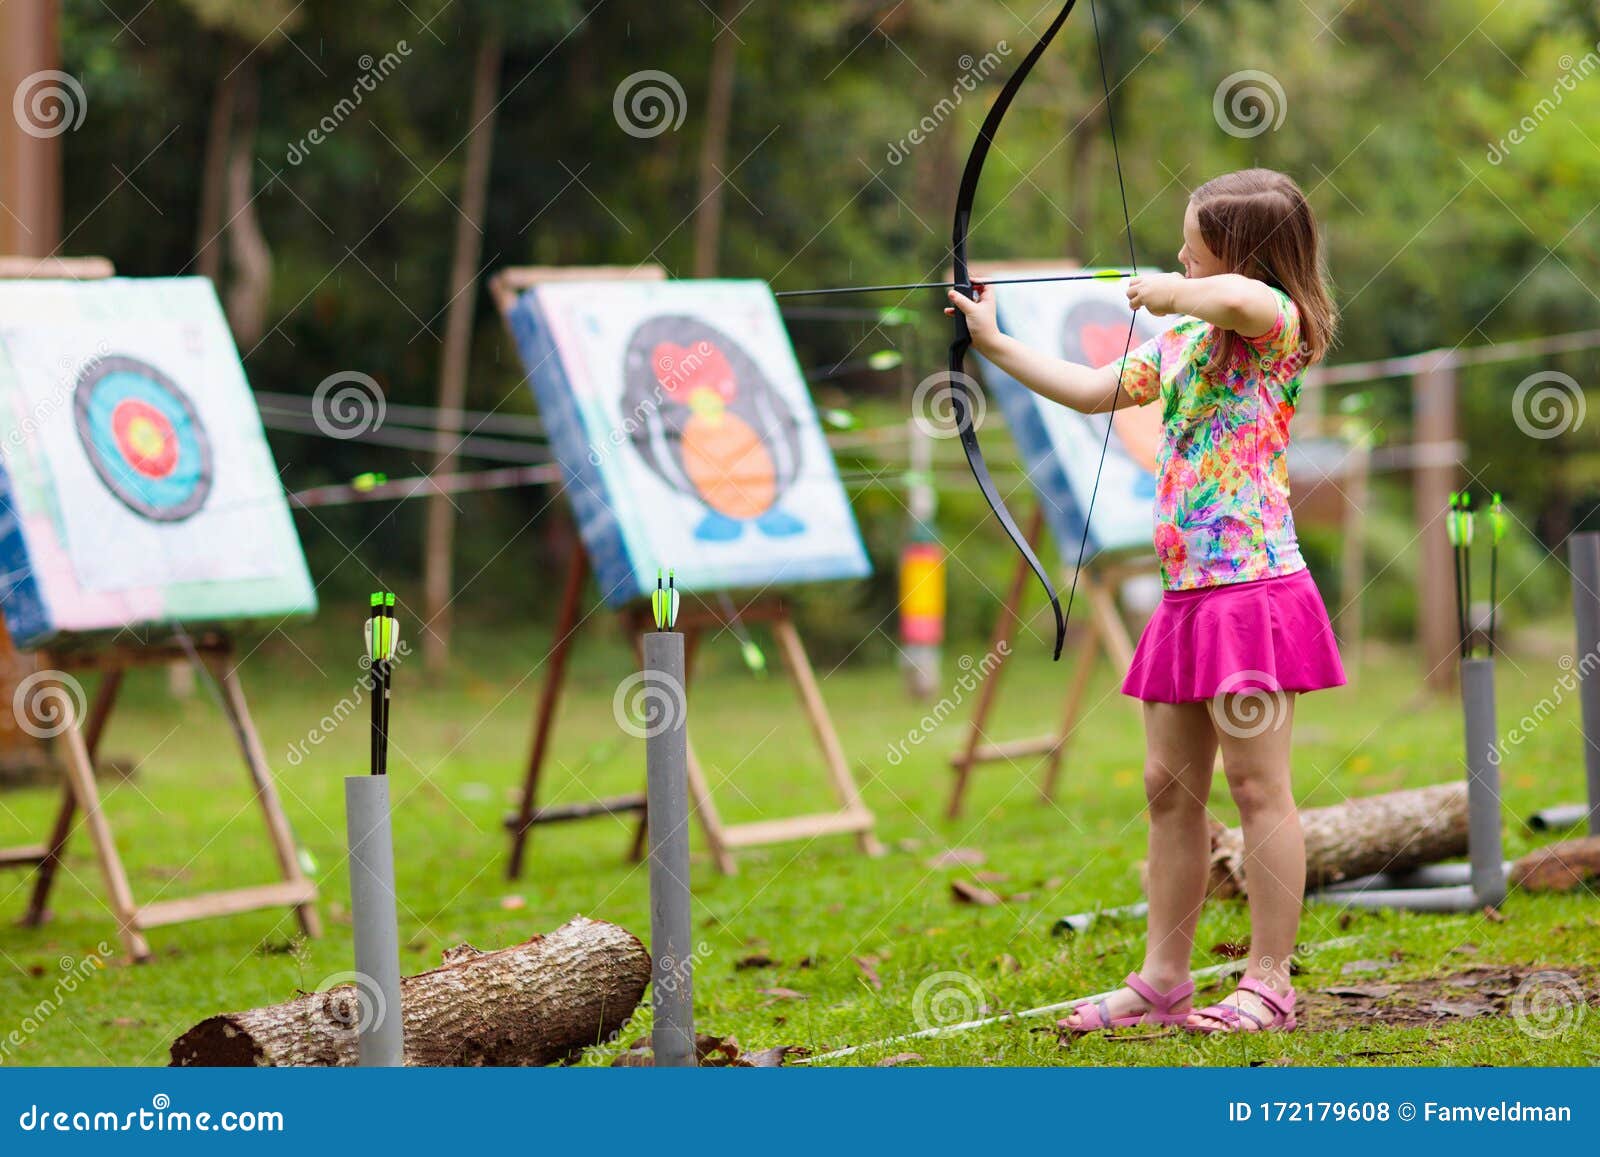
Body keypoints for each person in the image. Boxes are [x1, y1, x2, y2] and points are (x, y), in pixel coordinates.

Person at [947, 168, 1345, 1034]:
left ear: (1234, 253)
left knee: (1255, 784)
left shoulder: (1277, 326)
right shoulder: (1178, 347)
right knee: (1168, 786)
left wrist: (1173, 291)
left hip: (1249, 591)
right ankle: (1164, 979)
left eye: (1190, 244)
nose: (1176, 256)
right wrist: (993, 339)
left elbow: (1244, 299)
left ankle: (1268, 981)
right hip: (1188, 597)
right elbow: (1089, 390)